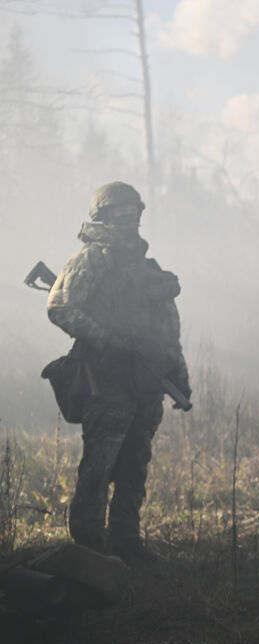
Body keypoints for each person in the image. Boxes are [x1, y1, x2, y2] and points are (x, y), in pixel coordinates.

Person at [46, 182, 190, 567]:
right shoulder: (92, 259)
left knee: (134, 464)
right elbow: (60, 307)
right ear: (103, 217)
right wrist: (108, 340)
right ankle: (88, 549)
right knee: (99, 465)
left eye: (133, 212)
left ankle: (126, 542)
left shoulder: (147, 269)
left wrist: (178, 371)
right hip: (105, 378)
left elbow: (168, 327)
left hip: (145, 381)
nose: (128, 220)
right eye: (119, 213)